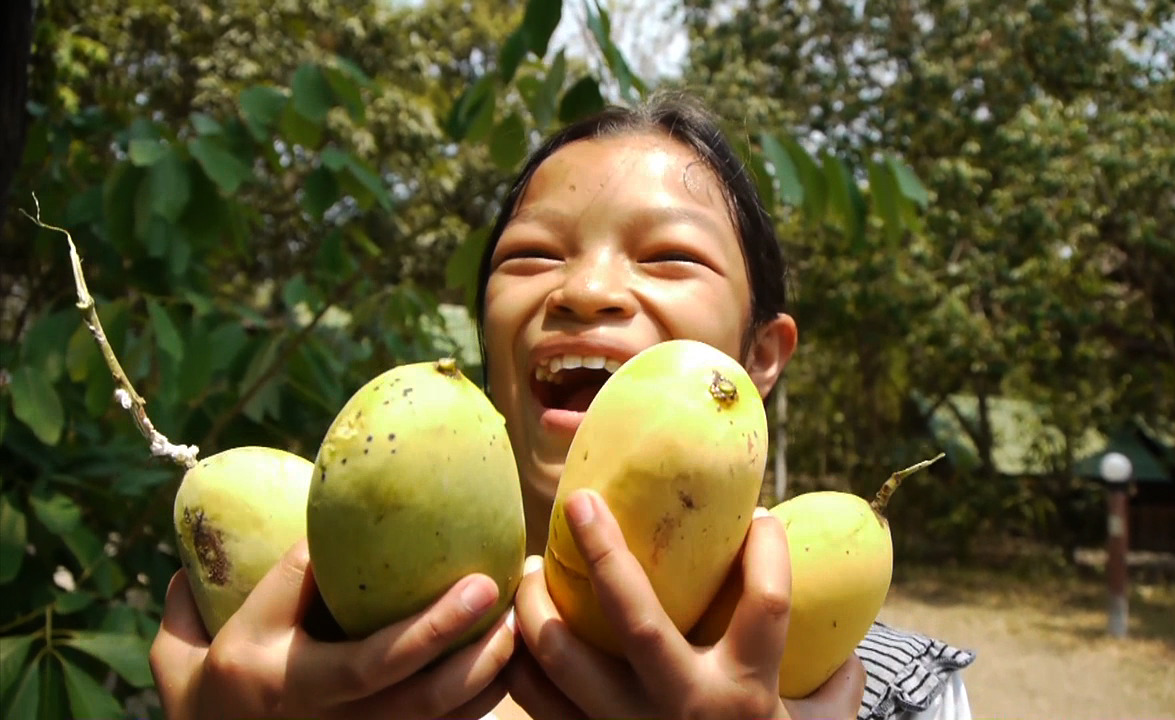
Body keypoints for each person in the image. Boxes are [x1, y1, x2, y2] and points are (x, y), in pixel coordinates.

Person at [149, 90, 974, 720]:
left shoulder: (892, 692)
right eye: (534, 254)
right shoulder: (290, 665)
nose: (585, 291)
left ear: (761, 356)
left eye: (670, 256)